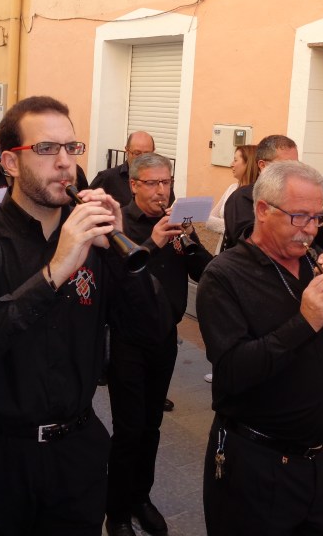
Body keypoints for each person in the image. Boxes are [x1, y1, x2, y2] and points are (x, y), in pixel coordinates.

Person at [0, 95, 166, 535]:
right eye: (46, 149)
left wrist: (121, 248)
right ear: (11, 162)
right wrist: (55, 270)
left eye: (71, 148)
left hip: (78, 454)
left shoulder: (93, 237)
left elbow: (153, 334)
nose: (65, 164)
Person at [197, 160, 323, 535]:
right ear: (264, 210)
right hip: (258, 465)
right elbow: (233, 372)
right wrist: (305, 321)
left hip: (319, 462)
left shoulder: (314, 266)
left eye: (318, 218)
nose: (311, 230)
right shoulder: (224, 276)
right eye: (300, 217)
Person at [106, 153, 212, 536]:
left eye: (166, 182)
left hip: (165, 338)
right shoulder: (119, 224)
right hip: (127, 339)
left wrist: (189, 243)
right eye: (152, 183)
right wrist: (150, 242)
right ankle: (116, 511)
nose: (161, 190)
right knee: (129, 429)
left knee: (151, 427)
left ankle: (141, 498)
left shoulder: (177, 222)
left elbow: (204, 273)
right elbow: (115, 280)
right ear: (134, 185)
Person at [221, 134, 298, 251]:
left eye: (296, 165)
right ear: (263, 165)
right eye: (285, 165)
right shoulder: (243, 198)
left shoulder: (297, 196)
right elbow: (249, 243)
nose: (293, 171)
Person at [206, 144, 258, 255]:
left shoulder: (258, 195)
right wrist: (232, 227)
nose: (231, 164)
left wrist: (230, 227)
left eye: (235, 160)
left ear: (248, 163)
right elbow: (208, 220)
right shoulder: (232, 188)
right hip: (223, 251)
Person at [89, 131, 156, 207]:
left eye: (147, 154)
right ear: (127, 150)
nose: (142, 159)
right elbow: (86, 207)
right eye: (137, 153)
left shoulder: (162, 181)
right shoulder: (107, 178)